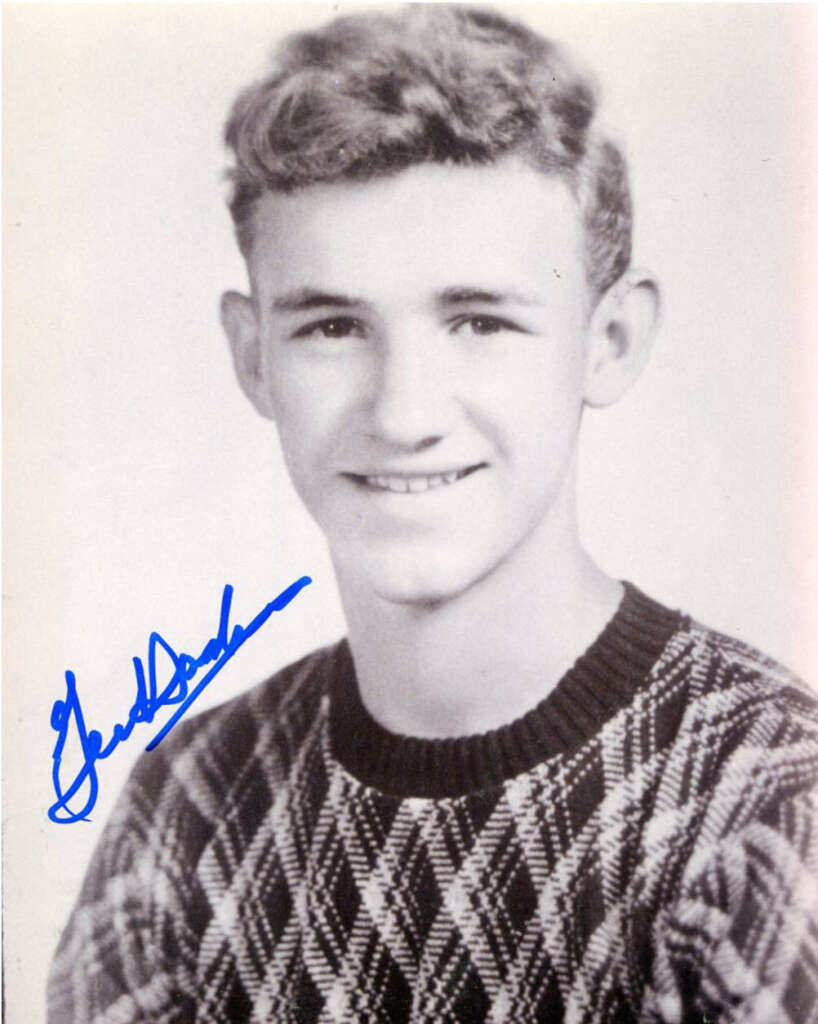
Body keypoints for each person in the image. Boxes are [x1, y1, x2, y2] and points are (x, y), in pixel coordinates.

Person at [47, 6, 818, 1022]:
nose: (402, 412)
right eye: (331, 325)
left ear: (610, 338)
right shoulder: (183, 813)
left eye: (478, 320)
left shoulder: (763, 816)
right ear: (252, 355)